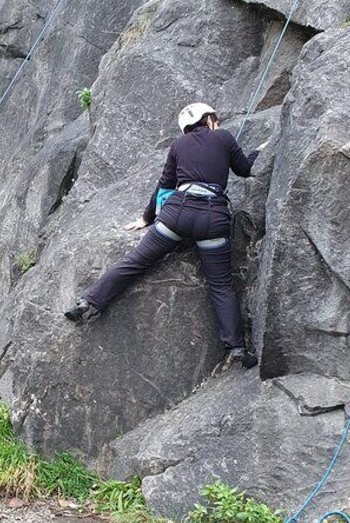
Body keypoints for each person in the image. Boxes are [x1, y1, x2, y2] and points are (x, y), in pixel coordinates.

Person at [65, 103, 262, 369]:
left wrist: (146, 218)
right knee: (221, 286)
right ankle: (237, 347)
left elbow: (164, 185)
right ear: (208, 119)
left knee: (136, 261)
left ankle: (89, 302)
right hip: (212, 218)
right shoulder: (224, 137)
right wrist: (257, 153)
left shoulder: (179, 146)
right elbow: (244, 169)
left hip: (176, 214)